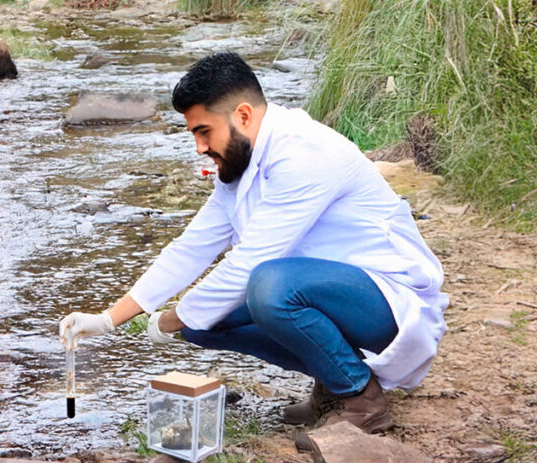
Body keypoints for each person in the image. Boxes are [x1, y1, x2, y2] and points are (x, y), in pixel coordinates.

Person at [59, 52, 448, 434]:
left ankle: (362, 397)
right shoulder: (240, 163)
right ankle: (332, 382)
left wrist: (169, 318)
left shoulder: (305, 154)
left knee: (268, 287)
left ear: (243, 116)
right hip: (330, 294)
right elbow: (190, 247)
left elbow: (250, 265)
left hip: (388, 302)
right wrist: (108, 319)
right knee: (202, 323)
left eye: (203, 132)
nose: (198, 147)